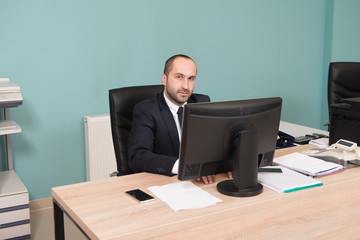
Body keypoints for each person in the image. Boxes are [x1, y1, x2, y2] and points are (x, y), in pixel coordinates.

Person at [128, 54, 220, 184]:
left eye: (191, 78)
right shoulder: (146, 110)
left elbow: (216, 144)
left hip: (200, 183)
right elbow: (138, 156)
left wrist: (229, 164)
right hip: (163, 185)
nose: (186, 86)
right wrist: (184, 167)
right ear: (164, 79)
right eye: (179, 77)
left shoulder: (202, 103)